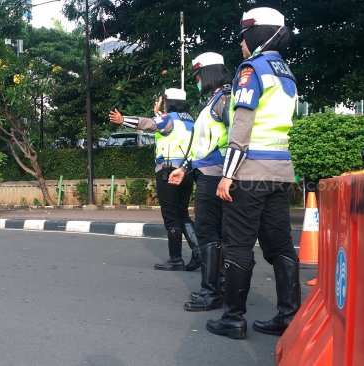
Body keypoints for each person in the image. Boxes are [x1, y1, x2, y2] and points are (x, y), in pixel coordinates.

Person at [206, 7, 300, 339]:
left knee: (238, 245)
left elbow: (242, 126)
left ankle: (233, 319)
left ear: (256, 35)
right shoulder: (285, 71)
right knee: (281, 247)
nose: (241, 45)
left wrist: (227, 175)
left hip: (248, 173)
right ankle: (289, 317)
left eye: (244, 38)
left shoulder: (251, 69)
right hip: (280, 173)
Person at [109, 88, 200, 271]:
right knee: (182, 214)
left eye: (165, 101)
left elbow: (148, 124)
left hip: (168, 173)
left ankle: (175, 259)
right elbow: (166, 127)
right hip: (187, 171)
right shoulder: (190, 121)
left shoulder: (168, 119)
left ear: (170, 102)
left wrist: (123, 119)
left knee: (171, 217)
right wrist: (158, 112)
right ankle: (199, 251)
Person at [168, 52, 232, 311]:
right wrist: (185, 169)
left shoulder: (225, 100)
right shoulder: (215, 100)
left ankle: (212, 291)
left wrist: (229, 175)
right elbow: (197, 145)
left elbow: (239, 137)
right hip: (207, 174)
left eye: (198, 75)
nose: (196, 80)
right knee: (216, 233)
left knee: (208, 232)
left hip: (215, 177)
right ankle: (220, 286)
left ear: (209, 73)